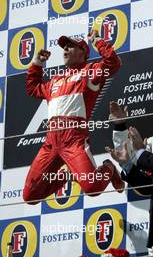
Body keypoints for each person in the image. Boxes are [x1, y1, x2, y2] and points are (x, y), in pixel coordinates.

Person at [23, 30, 124, 205]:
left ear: (83, 52)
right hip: (51, 143)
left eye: (71, 46)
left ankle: (108, 167)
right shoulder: (55, 80)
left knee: (93, 188)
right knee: (30, 196)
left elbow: (113, 63)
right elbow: (32, 88)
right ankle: (66, 175)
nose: (66, 49)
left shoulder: (89, 71)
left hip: (74, 140)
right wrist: (37, 62)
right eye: (64, 46)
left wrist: (98, 41)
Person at [106, 101, 153, 253]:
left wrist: (140, 152)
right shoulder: (150, 143)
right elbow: (146, 187)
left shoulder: (145, 148)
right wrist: (120, 126)